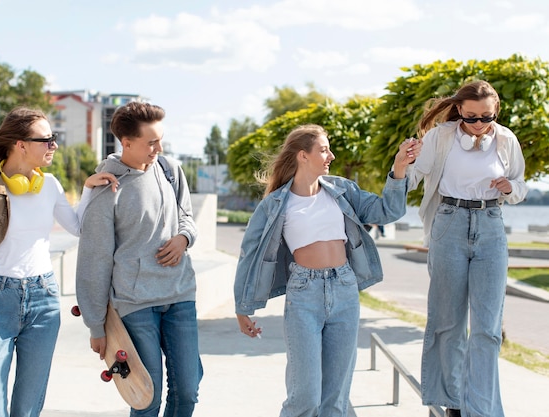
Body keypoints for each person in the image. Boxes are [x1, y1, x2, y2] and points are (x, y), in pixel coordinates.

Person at [0, 106, 117, 417]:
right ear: (20, 144)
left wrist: (88, 189)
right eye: (46, 140)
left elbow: (78, 227)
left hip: (44, 300)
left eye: (54, 139)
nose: (53, 145)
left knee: (27, 409)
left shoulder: (50, 185)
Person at [234, 124, 420, 416]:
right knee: (305, 397)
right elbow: (249, 253)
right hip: (303, 295)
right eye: (323, 149)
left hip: (344, 289)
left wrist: (399, 169)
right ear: (302, 156)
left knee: (336, 399)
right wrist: (242, 308)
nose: (330, 155)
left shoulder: (341, 190)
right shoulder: (275, 204)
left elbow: (387, 212)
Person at [406, 80, 528, 417]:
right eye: (471, 117)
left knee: (487, 328)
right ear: (459, 109)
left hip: (491, 224)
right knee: (448, 322)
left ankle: (483, 409)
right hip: (449, 222)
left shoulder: (506, 140)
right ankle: (453, 403)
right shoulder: (440, 137)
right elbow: (415, 175)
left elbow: (520, 184)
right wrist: (402, 164)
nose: (477, 125)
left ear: (495, 112)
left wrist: (510, 187)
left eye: (485, 117)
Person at [76, 101, 202, 417]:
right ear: (126, 142)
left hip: (180, 295)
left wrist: (184, 238)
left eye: (160, 139)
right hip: (136, 304)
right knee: (146, 398)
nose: (158, 148)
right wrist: (96, 325)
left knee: (187, 391)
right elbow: (94, 260)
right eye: (151, 142)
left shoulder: (170, 170)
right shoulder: (106, 191)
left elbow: (187, 215)